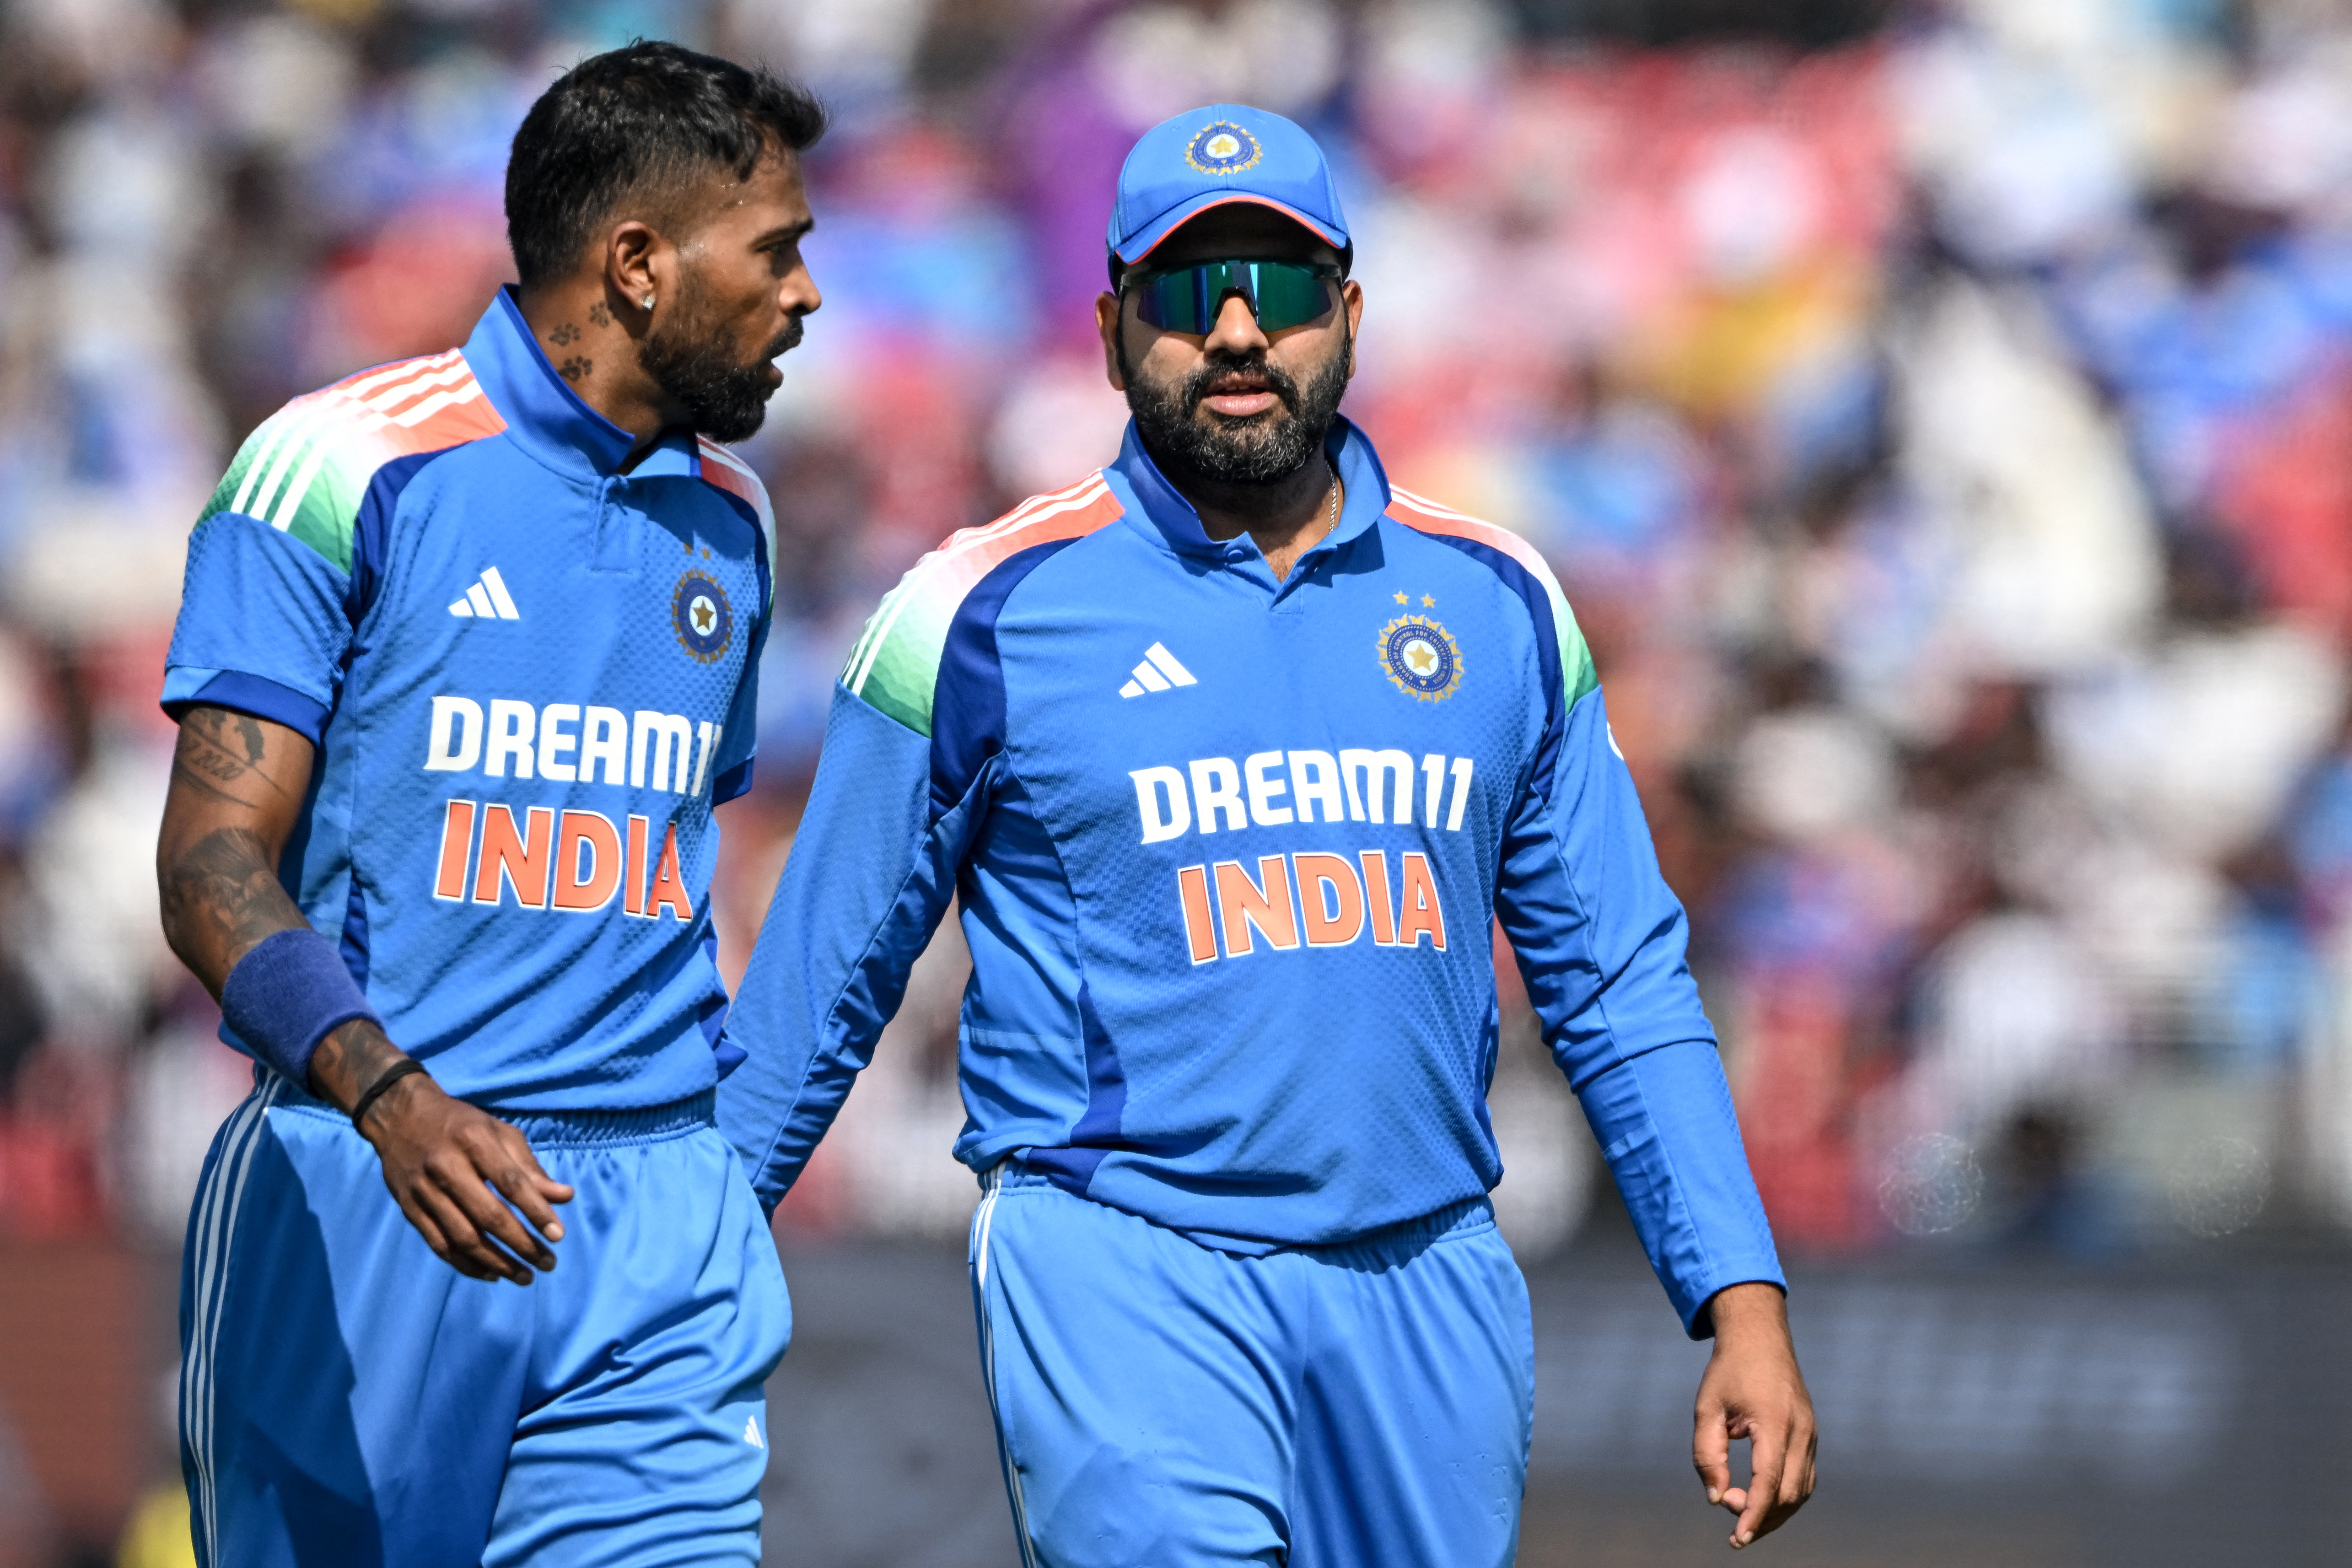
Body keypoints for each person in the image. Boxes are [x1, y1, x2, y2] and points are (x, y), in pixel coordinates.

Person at [719, 104, 1815, 1564]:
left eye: (1281, 286)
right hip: (1123, 1257)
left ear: (1349, 314)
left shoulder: (1497, 602)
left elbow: (1618, 977)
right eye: (1185, 291)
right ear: (1113, 329)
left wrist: (1738, 1295)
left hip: (1428, 1277)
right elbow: (818, 985)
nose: (1237, 329)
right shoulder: (975, 614)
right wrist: (678, 1283)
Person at [154, 42, 821, 1568]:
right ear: (639, 264)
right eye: (776, 251)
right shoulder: (337, 466)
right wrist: (390, 1096)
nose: (807, 295)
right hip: (369, 1184)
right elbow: (207, 867)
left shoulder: (736, 521)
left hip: (651, 1229)